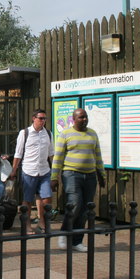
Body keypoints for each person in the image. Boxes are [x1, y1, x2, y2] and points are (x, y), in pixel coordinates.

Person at [51, 108, 105, 252]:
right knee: (74, 204)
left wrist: (102, 174)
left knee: (86, 209)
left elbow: (98, 155)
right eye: (81, 117)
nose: (84, 119)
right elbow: (58, 157)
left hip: (90, 175)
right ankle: (64, 233)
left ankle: (76, 241)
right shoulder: (66, 134)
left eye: (86, 117)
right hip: (71, 174)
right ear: (74, 119)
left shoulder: (92, 134)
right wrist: (54, 177)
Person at [9, 109, 55, 234]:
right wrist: (13, 170)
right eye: (40, 118)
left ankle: (42, 222)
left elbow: (51, 154)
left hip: (44, 171)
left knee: (47, 198)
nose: (43, 121)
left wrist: (55, 172)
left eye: (45, 119)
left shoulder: (49, 134)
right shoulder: (25, 133)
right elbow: (18, 154)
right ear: (33, 118)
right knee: (28, 200)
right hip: (29, 170)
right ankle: (27, 224)